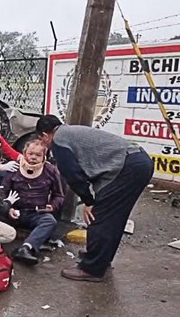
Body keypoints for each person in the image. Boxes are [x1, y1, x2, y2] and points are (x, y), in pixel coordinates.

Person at [35, 114, 154, 282]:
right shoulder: (71, 132)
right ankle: (101, 261)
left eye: (42, 140)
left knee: (99, 216)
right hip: (139, 160)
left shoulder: (59, 141)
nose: (44, 144)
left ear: (45, 135)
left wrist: (89, 202)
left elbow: (73, 175)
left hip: (127, 166)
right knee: (114, 218)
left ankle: (91, 268)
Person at [2, 137, 65, 265]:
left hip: (36, 213)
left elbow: (59, 195)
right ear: (24, 154)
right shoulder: (14, 168)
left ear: (44, 156)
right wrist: (9, 208)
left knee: (50, 221)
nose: (33, 157)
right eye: (30, 154)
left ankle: (26, 248)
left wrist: (52, 207)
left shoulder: (51, 171)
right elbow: (2, 193)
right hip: (14, 212)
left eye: (38, 155)